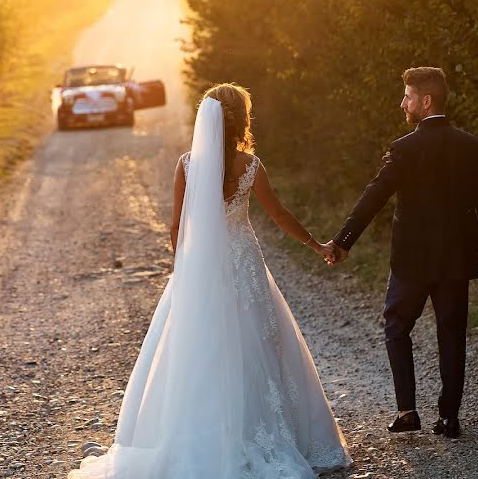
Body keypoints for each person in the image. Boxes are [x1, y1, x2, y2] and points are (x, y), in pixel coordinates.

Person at [69, 84, 351, 478]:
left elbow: (176, 228)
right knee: (259, 348)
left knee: (197, 350)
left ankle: (198, 435)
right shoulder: (250, 166)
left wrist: (187, 271)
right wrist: (317, 245)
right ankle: (270, 432)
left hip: (201, 269)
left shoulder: (187, 165)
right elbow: (280, 215)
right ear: (241, 119)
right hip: (245, 265)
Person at [326, 66, 478, 438]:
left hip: (411, 261)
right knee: (453, 333)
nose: (401, 103)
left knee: (396, 325)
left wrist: (343, 241)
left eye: (406, 96)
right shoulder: (471, 146)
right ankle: (449, 419)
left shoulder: (404, 149)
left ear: (425, 101)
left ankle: (407, 412)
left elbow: (374, 197)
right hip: (456, 257)